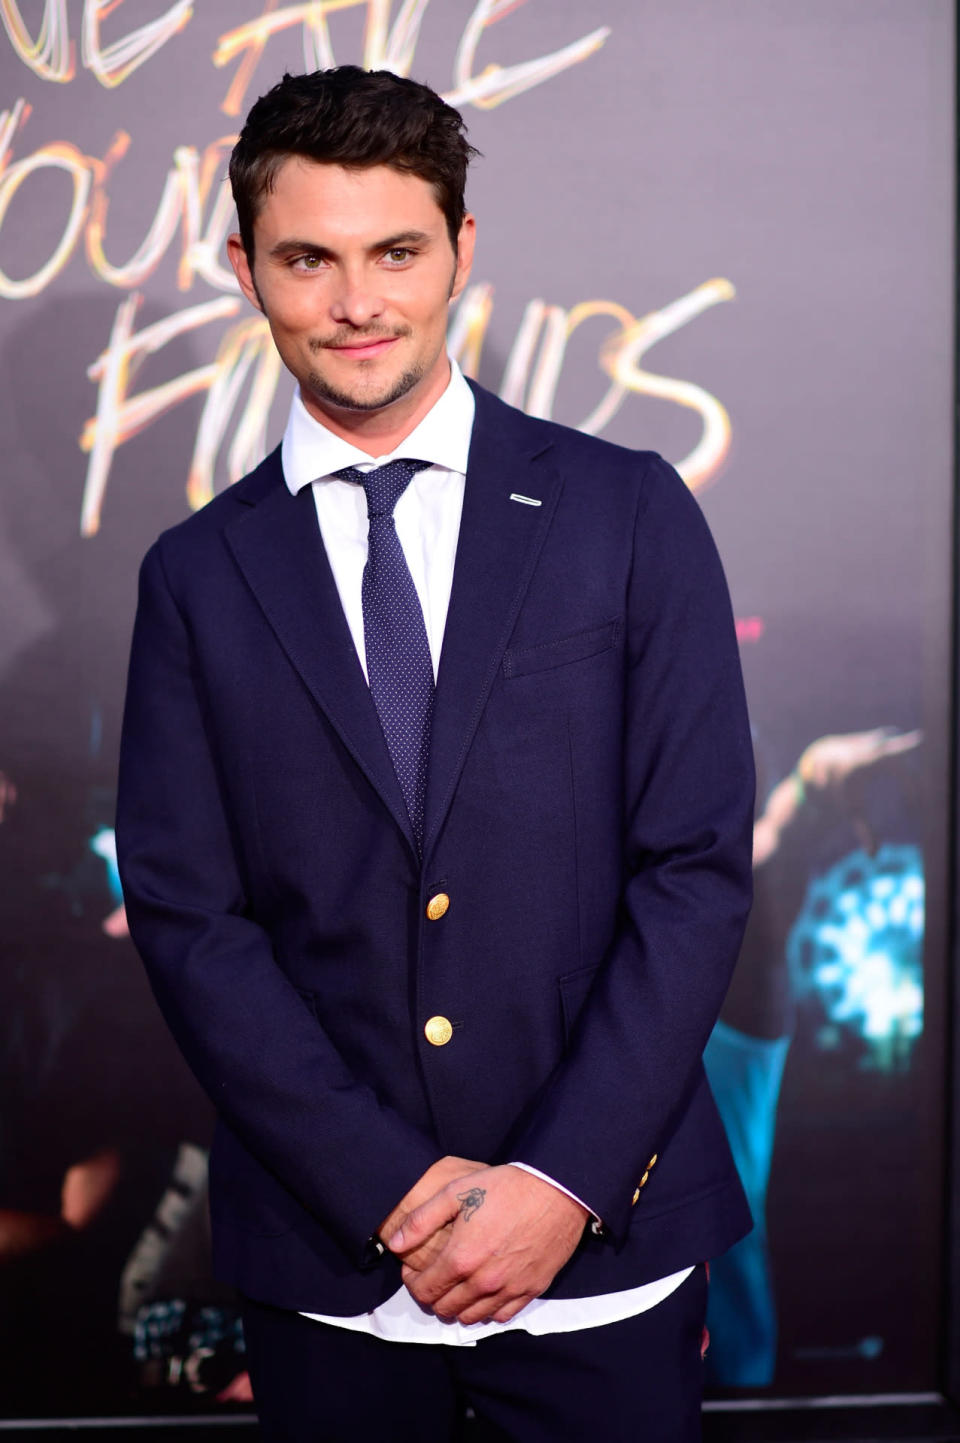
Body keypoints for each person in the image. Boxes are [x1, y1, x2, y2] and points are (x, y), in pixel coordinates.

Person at [116, 65, 755, 1442]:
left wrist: (560, 1183)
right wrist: (390, 1189)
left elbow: (695, 871)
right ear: (247, 268)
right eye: (309, 259)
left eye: (396, 252)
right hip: (334, 1275)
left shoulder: (626, 512)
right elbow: (190, 920)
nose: (357, 303)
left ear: (463, 252)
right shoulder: (198, 575)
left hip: (602, 1262)